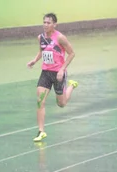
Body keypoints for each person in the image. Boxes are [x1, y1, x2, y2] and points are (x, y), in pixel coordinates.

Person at [27, 12, 78, 142]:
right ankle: (41, 131)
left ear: (54, 24)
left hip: (58, 74)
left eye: (48, 23)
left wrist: (62, 69)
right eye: (44, 22)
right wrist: (34, 60)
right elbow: (42, 51)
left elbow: (72, 54)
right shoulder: (41, 37)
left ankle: (71, 85)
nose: (45, 25)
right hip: (45, 73)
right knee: (40, 100)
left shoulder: (60, 38)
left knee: (61, 103)